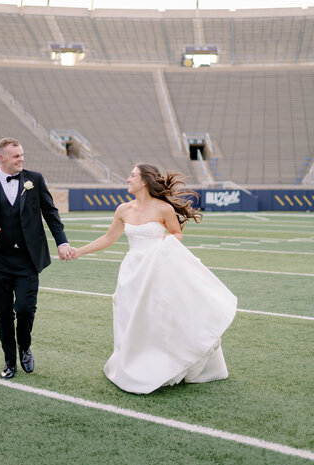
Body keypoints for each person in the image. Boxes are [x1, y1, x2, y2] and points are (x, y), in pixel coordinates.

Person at [70, 164, 237, 394]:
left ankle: (166, 364)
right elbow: (109, 238)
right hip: (132, 271)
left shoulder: (164, 209)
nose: (128, 179)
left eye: (132, 176)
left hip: (158, 270)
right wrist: (79, 251)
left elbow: (177, 233)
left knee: (159, 317)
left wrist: (164, 246)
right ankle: (133, 364)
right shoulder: (123, 209)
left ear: (145, 181)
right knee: (129, 316)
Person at [0, 138, 72, 380]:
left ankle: (25, 346)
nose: (21, 159)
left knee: (25, 309)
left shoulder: (35, 179)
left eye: (22, 155)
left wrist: (62, 241)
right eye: (16, 156)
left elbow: (51, 212)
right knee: (3, 313)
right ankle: (9, 361)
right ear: (1, 158)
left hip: (27, 258)